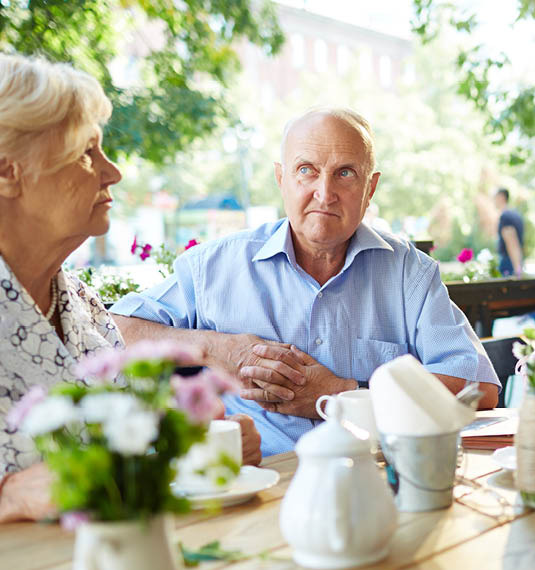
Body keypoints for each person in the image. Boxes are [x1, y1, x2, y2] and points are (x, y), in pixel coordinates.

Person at [111, 108, 501, 456]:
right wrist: (218, 349)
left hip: (378, 480)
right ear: (282, 179)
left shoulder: (408, 273)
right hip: (255, 486)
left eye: (345, 173)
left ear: (370, 188)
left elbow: (478, 389)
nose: (324, 192)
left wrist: (340, 393)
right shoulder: (213, 267)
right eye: (306, 170)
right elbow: (114, 331)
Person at [0, 54, 261, 523]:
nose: (113, 171)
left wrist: (192, 445)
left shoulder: (82, 304)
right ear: (6, 171)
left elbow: (128, 458)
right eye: (86, 151)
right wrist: (8, 497)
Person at [494, 187, 525, 277]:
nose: (493, 201)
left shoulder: (505, 216)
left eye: (495, 197)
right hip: (515, 261)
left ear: (501, 197)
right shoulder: (515, 214)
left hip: (509, 263)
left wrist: (517, 269)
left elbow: (512, 243)